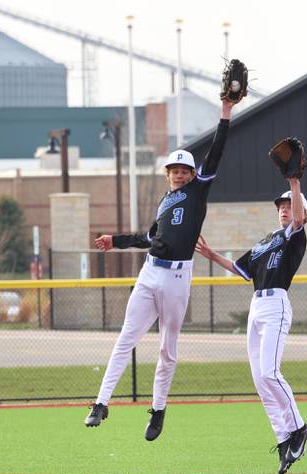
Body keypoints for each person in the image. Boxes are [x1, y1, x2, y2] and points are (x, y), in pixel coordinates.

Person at [84, 95, 239, 441]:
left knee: (168, 348)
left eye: (185, 171)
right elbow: (148, 238)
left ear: (192, 174)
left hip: (178, 277)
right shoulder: (166, 200)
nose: (180, 175)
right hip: (150, 271)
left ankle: (157, 410)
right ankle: (101, 403)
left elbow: (216, 151)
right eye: (175, 171)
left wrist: (226, 113)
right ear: (168, 174)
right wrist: (116, 242)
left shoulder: (198, 191)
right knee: (126, 337)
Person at [193, 175, 307, 474]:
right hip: (257, 306)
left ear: (301, 213)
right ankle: (284, 438)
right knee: (260, 379)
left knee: (271, 372)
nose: (285, 209)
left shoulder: (295, 235)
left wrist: (294, 182)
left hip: (276, 305)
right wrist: (212, 255)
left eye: (290, 205)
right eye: (281, 205)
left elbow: (297, 218)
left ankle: (299, 428)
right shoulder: (266, 241)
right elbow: (240, 269)